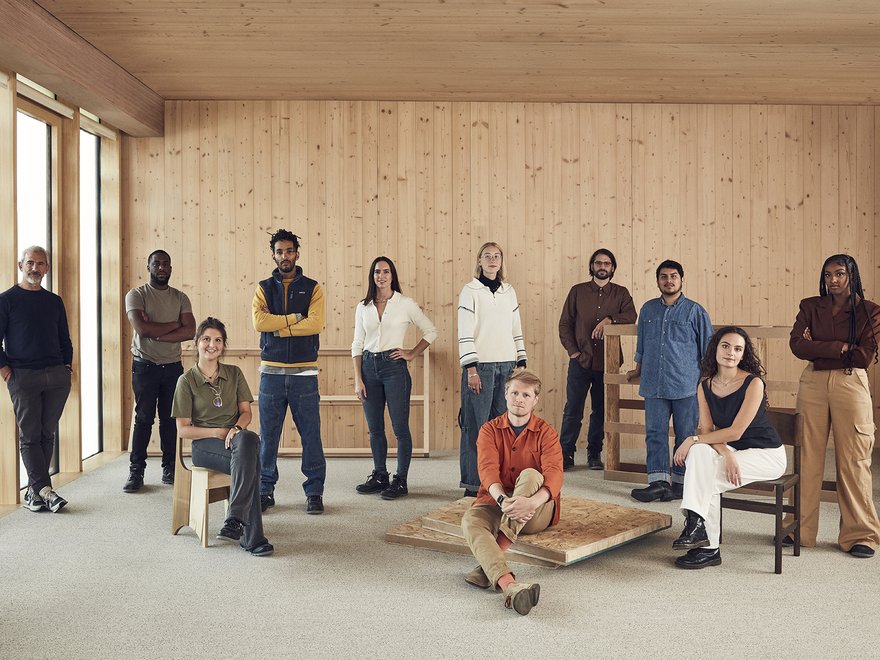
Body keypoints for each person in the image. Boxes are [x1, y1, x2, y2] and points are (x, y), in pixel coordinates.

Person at [670, 327, 786, 569]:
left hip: (766, 454)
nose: (730, 353)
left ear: (743, 355)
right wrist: (724, 453)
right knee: (701, 453)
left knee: (703, 470)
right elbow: (707, 431)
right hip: (731, 450)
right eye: (725, 346)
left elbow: (736, 432)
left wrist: (690, 440)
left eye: (737, 348)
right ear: (715, 349)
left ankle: (704, 541)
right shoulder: (705, 386)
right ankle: (698, 530)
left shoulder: (753, 383)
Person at [788, 254, 880, 559]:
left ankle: (861, 535)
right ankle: (798, 530)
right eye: (827, 275)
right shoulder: (810, 306)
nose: (833, 280)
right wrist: (841, 347)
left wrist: (820, 348)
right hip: (812, 383)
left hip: (851, 383)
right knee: (806, 457)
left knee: (854, 460)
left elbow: (865, 356)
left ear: (852, 275)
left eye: (839, 274)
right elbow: (797, 346)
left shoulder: (870, 311)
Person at [460, 368, 563, 616]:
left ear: (535, 400)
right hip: (497, 501)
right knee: (470, 521)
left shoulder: (546, 433)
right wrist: (503, 500)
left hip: (536, 510)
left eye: (526, 395)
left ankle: (488, 566)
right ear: (505, 394)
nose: (519, 399)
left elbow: (555, 475)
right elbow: (486, 471)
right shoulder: (489, 430)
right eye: (514, 392)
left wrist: (531, 503)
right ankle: (510, 586)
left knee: (530, 475)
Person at [172, 317, 272, 556]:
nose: (212, 345)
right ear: (196, 342)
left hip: (236, 441)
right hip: (205, 446)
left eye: (218, 340)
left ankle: (235, 520)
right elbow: (183, 429)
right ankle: (250, 536)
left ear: (223, 345)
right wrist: (217, 432)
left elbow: (246, 412)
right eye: (206, 339)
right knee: (252, 464)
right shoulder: (186, 381)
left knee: (248, 439)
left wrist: (236, 429)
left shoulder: (234, 373)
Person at [252, 229, 327, 514]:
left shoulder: (313, 287)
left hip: (304, 375)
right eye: (280, 251)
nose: (285, 256)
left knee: (311, 437)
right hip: (270, 375)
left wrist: (280, 327)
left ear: (297, 252)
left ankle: (315, 492)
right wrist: (295, 318)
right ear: (273, 254)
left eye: (289, 251)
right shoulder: (262, 287)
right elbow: (259, 322)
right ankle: (264, 491)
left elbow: (315, 324)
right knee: (268, 438)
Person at [626, 260, 713, 502]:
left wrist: (706, 385)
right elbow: (642, 345)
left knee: (685, 435)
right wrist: (637, 370)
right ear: (658, 281)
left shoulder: (695, 311)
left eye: (673, 276)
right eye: (664, 277)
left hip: (686, 385)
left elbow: (708, 349)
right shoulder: (647, 310)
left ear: (682, 280)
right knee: (655, 433)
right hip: (654, 383)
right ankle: (658, 483)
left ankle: (680, 484)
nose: (669, 280)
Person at [352, 256, 437, 499]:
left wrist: (411, 353)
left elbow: (431, 331)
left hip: (394, 368)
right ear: (372, 275)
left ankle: (400, 480)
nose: (381, 276)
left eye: (386, 271)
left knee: (400, 427)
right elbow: (357, 343)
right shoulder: (363, 306)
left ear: (392, 275)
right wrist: (358, 379)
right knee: (375, 428)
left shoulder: (405, 303)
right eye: (377, 271)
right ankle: (380, 475)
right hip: (368, 367)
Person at [0, 246, 72, 512]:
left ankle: (34, 494)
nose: (35, 268)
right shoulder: (6, 300)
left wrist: (67, 368)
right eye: (30, 263)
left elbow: (65, 339)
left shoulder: (54, 301)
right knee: (30, 436)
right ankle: (46, 490)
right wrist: (6, 371)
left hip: (56, 375)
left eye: (40, 264)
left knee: (46, 433)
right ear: (21, 266)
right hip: (23, 376)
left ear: (47, 269)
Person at [458, 241, 527, 496]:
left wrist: (521, 361)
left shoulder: (509, 291)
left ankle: (498, 482)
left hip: (508, 365)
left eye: (496, 256)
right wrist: (471, 369)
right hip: (481, 366)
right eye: (487, 256)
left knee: (504, 427)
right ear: (480, 261)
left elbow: (515, 327)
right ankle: (474, 484)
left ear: (501, 261)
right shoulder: (470, 291)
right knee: (476, 427)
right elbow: (464, 330)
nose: (492, 260)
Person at [123, 249, 195, 492]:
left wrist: (157, 329)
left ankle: (170, 468)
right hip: (145, 365)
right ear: (149, 267)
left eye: (166, 264)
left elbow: (189, 332)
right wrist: (175, 324)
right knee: (143, 419)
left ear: (171, 268)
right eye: (157, 264)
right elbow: (142, 330)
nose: (161, 268)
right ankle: (136, 472)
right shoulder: (136, 295)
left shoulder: (180, 297)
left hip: (173, 367)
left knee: (169, 420)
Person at [558, 248, 637, 470]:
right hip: (580, 360)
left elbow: (632, 316)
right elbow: (565, 324)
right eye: (598, 263)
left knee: (601, 410)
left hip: (608, 362)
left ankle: (594, 453)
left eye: (607, 263)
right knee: (573, 408)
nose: (602, 266)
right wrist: (574, 352)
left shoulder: (621, 293)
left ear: (613, 268)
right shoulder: (577, 291)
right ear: (592, 266)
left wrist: (610, 319)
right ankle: (566, 454)